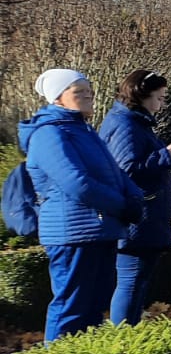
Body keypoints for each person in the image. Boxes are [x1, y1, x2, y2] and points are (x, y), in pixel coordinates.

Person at [20, 69, 146, 340]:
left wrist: (135, 196)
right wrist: (122, 206)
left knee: (94, 306)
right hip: (73, 233)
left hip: (99, 229)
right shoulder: (48, 134)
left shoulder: (82, 129)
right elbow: (77, 183)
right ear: (58, 99)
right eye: (78, 91)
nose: (88, 95)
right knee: (71, 306)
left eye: (88, 89)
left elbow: (114, 171)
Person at [99, 70, 171, 325]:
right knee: (131, 280)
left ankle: (128, 331)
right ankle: (124, 336)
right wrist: (166, 156)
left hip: (144, 215)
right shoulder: (125, 125)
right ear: (142, 96)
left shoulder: (133, 122)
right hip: (137, 218)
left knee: (136, 281)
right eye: (160, 98)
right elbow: (126, 168)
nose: (162, 105)